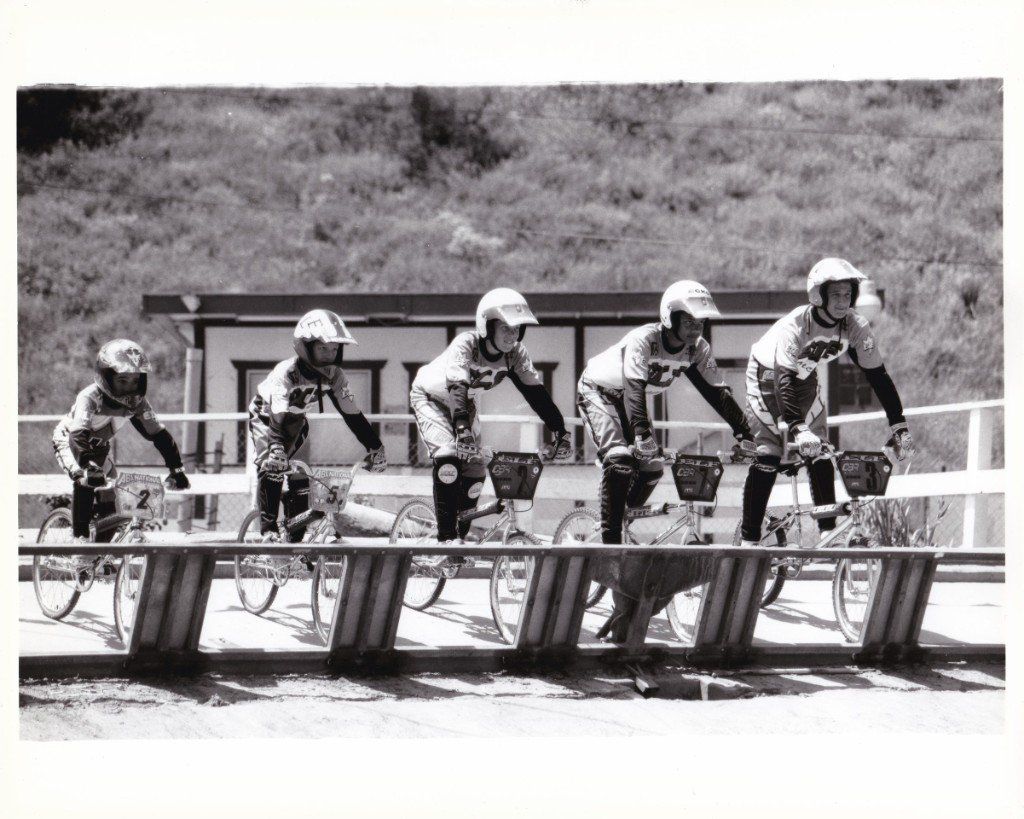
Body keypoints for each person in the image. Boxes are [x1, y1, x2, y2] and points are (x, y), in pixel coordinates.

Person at [739, 258, 916, 547]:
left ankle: (827, 533)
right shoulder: (796, 324)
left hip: (803, 375)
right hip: (767, 375)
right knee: (768, 455)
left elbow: (878, 376)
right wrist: (798, 428)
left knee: (821, 450)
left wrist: (899, 426)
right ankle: (748, 540)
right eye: (835, 295)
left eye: (848, 294)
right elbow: (783, 380)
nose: (843, 302)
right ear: (818, 295)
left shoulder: (855, 326)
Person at [578, 279, 754, 548]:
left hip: (630, 400)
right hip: (600, 390)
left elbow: (716, 392)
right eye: (689, 321)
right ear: (670, 317)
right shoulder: (644, 339)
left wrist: (744, 433)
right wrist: (641, 434)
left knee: (652, 469)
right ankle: (610, 545)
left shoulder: (697, 349)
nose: (696, 328)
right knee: (619, 458)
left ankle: (619, 517)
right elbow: (634, 387)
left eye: (701, 322)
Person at [410, 288, 572, 551]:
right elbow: (457, 387)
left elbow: (536, 395)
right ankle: (445, 539)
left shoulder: (515, 354)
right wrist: (462, 430)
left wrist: (560, 430)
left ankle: (460, 537)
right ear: (487, 325)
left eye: (517, 329)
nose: (512, 335)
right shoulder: (467, 343)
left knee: (475, 468)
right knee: (449, 454)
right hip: (432, 397)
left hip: (466, 403)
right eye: (506, 328)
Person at [248, 309, 387, 543]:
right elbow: (277, 412)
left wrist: (375, 446)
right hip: (267, 417)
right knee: (273, 466)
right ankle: (268, 530)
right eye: (323, 348)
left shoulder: (335, 375)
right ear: (305, 346)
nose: (329, 355)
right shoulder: (287, 372)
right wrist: (276, 448)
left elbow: (352, 414)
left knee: (301, 478)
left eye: (334, 349)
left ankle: (295, 541)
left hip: (297, 421)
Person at [52, 339, 190, 542]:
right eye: (122, 380)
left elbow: (158, 435)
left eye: (135, 381)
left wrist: (176, 468)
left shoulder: (138, 403)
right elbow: (77, 435)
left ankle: (100, 551)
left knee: (111, 499)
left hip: (99, 448)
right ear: (106, 376)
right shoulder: (90, 397)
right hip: (70, 441)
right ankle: (79, 540)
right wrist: (88, 466)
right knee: (85, 480)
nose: (129, 388)